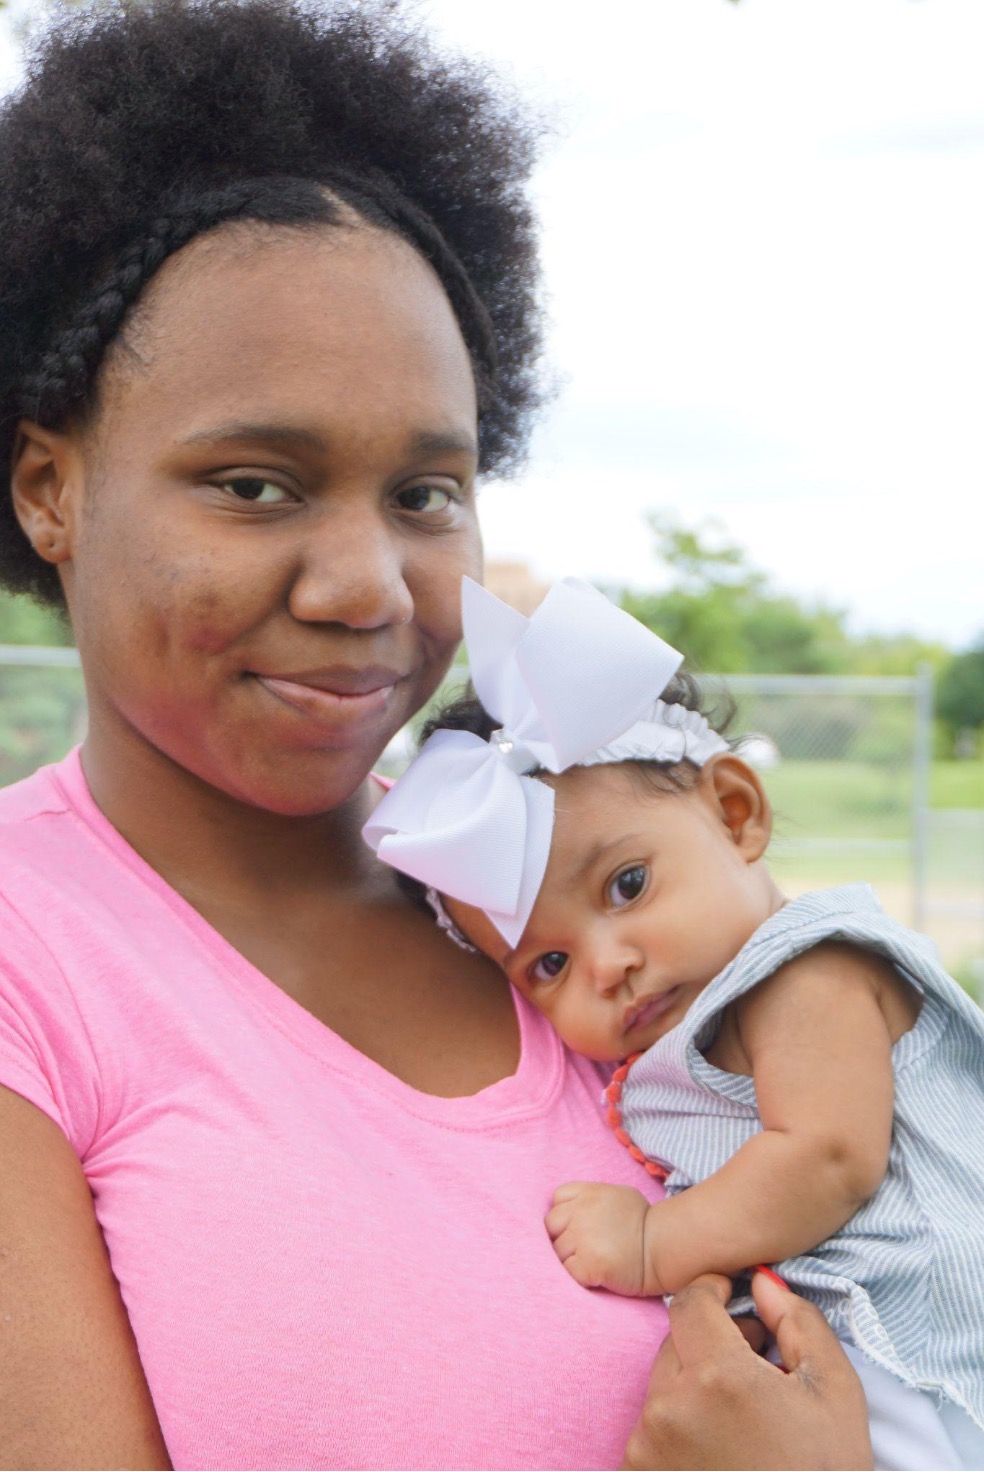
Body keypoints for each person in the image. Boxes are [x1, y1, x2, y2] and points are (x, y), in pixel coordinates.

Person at [0, 3, 872, 1467]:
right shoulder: (35, 963)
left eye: (425, 495)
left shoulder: (550, 887)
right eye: (256, 484)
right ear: (49, 491)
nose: (365, 587)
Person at [365, 576, 984, 1472]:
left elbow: (827, 1157)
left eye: (628, 885)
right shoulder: (683, 1029)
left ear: (735, 813)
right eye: (549, 965)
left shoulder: (809, 970)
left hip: (940, 1351)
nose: (606, 965)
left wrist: (654, 1244)